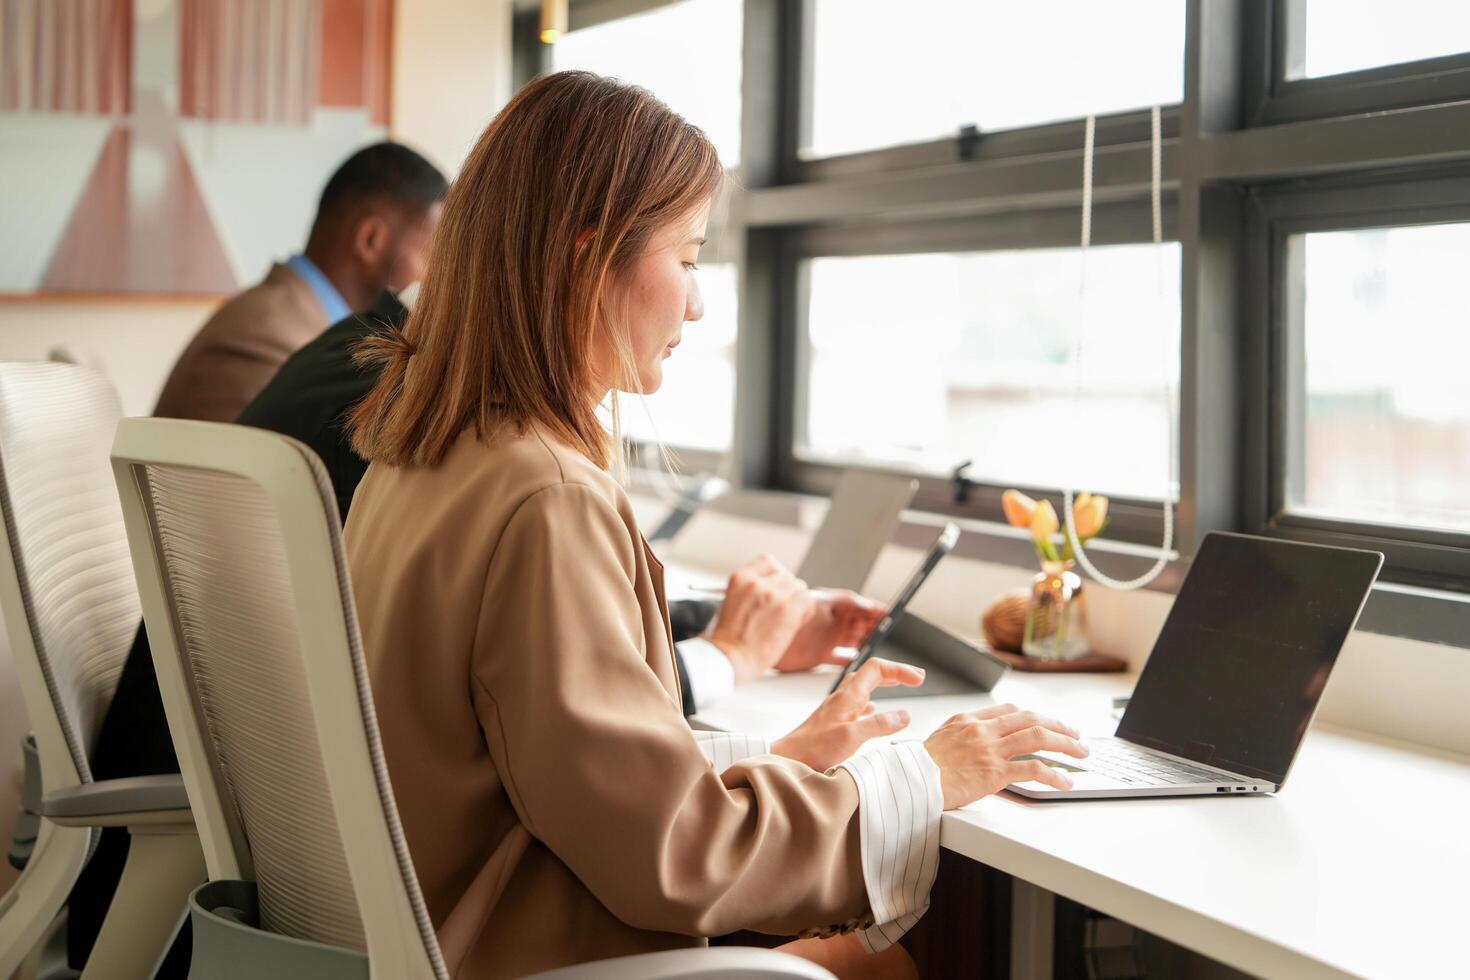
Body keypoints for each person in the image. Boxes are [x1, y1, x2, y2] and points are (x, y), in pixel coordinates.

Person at [343, 71, 1087, 979]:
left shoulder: (421, 453)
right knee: (899, 959)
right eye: (689, 258)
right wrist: (924, 776)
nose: (697, 304)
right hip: (520, 949)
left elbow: (554, 771)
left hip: (445, 920)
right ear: (588, 256)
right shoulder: (546, 497)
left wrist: (784, 757)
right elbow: (675, 859)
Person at [152, 141, 447, 423]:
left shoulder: (293, 324)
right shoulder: (268, 340)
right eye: (432, 259)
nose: (436, 281)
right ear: (370, 240)